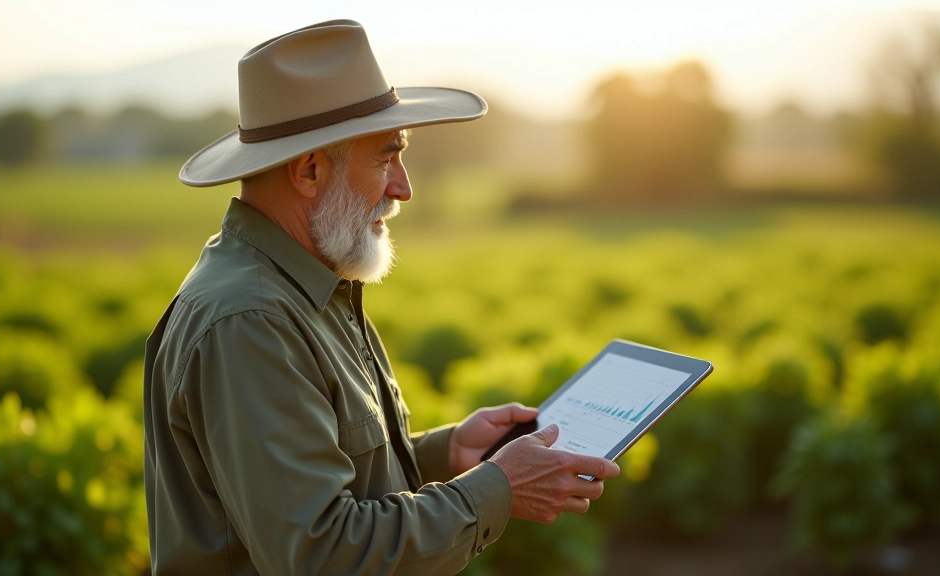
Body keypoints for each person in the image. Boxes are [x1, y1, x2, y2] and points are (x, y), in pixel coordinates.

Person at [144, 19, 620, 575]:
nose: (404, 186)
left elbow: (323, 486)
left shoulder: (303, 285)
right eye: (386, 157)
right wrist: (497, 489)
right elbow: (322, 554)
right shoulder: (251, 319)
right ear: (310, 170)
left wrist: (448, 455)